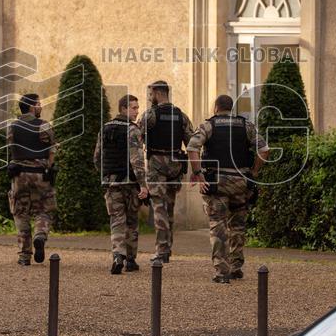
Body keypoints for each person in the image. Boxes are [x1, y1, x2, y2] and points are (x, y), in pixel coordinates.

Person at [187, 94, 269, 283]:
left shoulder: (208, 126)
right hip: (241, 182)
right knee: (238, 225)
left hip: (216, 183)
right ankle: (236, 267)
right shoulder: (246, 126)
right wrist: (254, 172)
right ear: (231, 108)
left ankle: (222, 272)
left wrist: (198, 174)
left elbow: (192, 148)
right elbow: (264, 150)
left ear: (216, 108)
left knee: (218, 226)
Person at [137, 80, 193, 264]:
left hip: (157, 166)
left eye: (151, 94)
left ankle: (161, 251)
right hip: (176, 166)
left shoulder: (149, 115)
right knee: (169, 207)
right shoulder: (181, 116)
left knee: (159, 207)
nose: (150, 97)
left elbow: (137, 139)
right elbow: (191, 143)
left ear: (157, 93)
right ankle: (168, 247)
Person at [94, 95, 149, 274]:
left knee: (117, 221)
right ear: (123, 109)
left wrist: (106, 175)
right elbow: (137, 160)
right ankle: (131, 260)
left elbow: (97, 158)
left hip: (112, 183)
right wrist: (143, 185)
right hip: (130, 183)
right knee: (132, 221)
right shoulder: (132, 130)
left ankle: (118, 255)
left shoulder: (105, 128)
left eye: (137, 107)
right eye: (134, 108)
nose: (137, 111)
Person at [6, 93, 56, 266]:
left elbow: (11, 149)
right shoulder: (44, 126)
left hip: (19, 175)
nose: (41, 107)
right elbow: (51, 149)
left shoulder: (12, 127)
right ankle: (40, 235)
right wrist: (49, 166)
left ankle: (24, 256)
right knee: (44, 209)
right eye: (39, 104)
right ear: (32, 107)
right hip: (40, 174)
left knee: (20, 213)